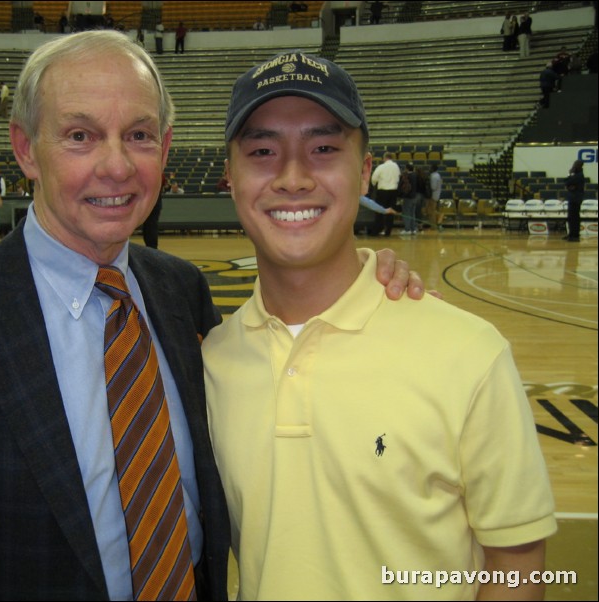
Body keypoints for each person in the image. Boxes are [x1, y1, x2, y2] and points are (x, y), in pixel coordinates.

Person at [0, 31, 422, 601]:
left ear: (165, 149)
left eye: (139, 135)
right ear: (25, 148)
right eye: (79, 136)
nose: (116, 167)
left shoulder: (181, 291)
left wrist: (369, 278)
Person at [203, 50, 557, 601]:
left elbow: (516, 561)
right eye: (263, 151)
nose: (293, 178)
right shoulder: (211, 360)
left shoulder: (468, 351)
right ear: (230, 175)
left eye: (323, 149)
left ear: (364, 170)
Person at [368, 151, 400, 235]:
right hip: (393, 191)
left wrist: (374, 184)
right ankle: (388, 231)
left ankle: (377, 229)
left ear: (384, 158)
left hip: (383, 191)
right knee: (391, 211)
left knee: (380, 210)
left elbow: (374, 178)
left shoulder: (381, 167)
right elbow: (398, 177)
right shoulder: (396, 167)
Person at [142, 172, 167, 249]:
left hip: (153, 202)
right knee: (149, 227)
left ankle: (152, 248)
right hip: (151, 201)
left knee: (150, 227)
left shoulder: (158, 173)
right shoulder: (159, 173)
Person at [564, 159, 585, 241]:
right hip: (573, 198)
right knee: (571, 218)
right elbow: (567, 183)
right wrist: (569, 185)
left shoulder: (579, 175)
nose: (574, 166)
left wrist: (570, 174)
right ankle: (571, 234)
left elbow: (567, 182)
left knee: (574, 218)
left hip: (576, 199)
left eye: (575, 164)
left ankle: (575, 236)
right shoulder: (577, 174)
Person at [399, 162, 421, 235]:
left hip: (407, 197)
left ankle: (407, 229)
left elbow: (401, 186)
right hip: (415, 197)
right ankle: (413, 229)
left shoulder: (406, 176)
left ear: (406, 168)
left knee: (406, 213)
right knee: (412, 213)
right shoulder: (416, 175)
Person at [428, 163, 444, 230]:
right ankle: (434, 224)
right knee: (431, 210)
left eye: (430, 168)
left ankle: (434, 225)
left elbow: (433, 187)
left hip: (433, 195)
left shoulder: (434, 176)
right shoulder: (437, 175)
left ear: (432, 169)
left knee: (432, 211)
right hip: (436, 195)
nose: (429, 169)